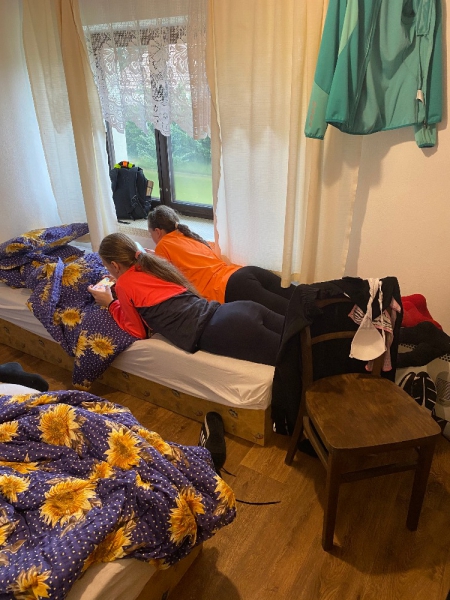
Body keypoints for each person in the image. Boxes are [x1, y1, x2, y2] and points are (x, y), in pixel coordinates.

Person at [88, 233, 283, 366]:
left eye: (107, 266)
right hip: (238, 310)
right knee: (298, 339)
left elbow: (137, 332)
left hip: (225, 330)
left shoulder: (123, 285)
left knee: (293, 359)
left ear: (114, 265)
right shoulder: (153, 266)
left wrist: (111, 303)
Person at [147, 206, 296, 316]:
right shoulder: (188, 236)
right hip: (243, 273)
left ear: (157, 231)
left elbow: (164, 282)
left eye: (151, 233)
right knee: (300, 297)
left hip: (229, 287)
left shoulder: (162, 246)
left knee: (294, 313)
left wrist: (151, 259)